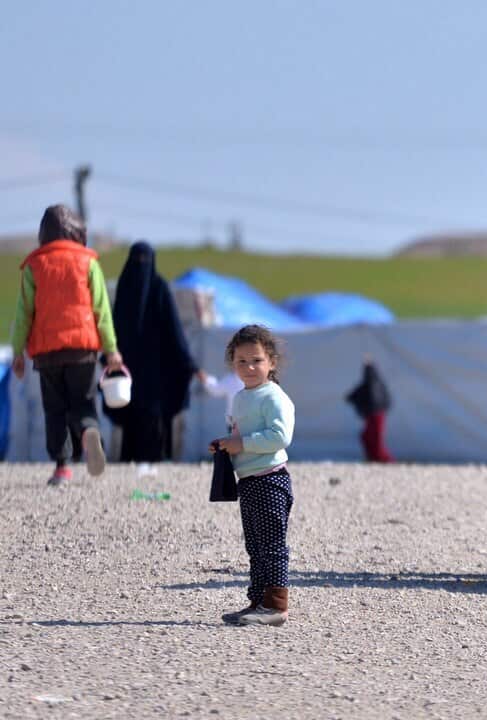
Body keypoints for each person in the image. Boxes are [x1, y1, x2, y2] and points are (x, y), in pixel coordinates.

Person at [10, 204, 123, 486]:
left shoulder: (34, 265)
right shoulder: (88, 262)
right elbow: (102, 310)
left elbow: (23, 314)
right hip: (82, 350)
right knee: (83, 402)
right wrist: (111, 349)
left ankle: (62, 467)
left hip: (47, 352)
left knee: (55, 409)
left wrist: (17, 352)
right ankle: (88, 432)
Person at [211, 325, 296, 627]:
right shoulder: (240, 397)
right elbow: (240, 433)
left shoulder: (273, 396)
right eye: (242, 361)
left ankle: (276, 605)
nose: (249, 367)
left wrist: (242, 444)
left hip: (270, 479)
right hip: (248, 480)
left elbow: (280, 436)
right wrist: (225, 445)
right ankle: (257, 602)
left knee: (272, 545)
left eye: (256, 360)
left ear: (271, 362)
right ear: (232, 364)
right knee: (255, 547)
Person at [106, 242, 206, 462]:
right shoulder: (125, 286)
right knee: (129, 419)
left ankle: (155, 467)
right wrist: (108, 354)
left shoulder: (160, 289)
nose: (141, 265)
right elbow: (114, 327)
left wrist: (190, 365)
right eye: (137, 260)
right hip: (128, 371)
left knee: (154, 422)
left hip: (156, 375)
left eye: (145, 261)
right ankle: (128, 468)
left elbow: (174, 330)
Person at [346, 357, 394, 463]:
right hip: (372, 416)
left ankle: (384, 459)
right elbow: (352, 396)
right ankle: (373, 457)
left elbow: (385, 400)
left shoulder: (376, 384)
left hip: (377, 415)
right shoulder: (368, 385)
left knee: (376, 438)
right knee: (366, 437)